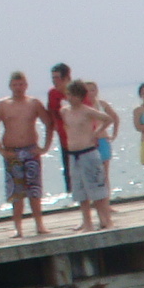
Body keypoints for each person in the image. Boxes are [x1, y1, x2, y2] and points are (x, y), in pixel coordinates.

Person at [0, 71, 53, 236]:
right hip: (12, 153)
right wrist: (1, 151)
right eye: (15, 85)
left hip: (31, 150)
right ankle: (18, 228)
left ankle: (39, 225)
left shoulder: (34, 103)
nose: (18, 88)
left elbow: (49, 123)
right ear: (10, 86)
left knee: (34, 191)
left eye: (21, 84)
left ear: (26, 85)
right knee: (16, 193)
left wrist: (45, 147)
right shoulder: (2, 105)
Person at [59, 81, 115, 231]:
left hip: (88, 153)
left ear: (79, 96)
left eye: (71, 94)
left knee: (97, 190)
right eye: (68, 94)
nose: (68, 97)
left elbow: (108, 119)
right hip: (73, 154)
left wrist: (96, 133)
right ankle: (87, 223)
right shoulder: (64, 111)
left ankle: (106, 220)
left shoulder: (87, 111)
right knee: (80, 192)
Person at [46, 64, 74, 187]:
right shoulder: (52, 94)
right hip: (64, 141)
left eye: (57, 77)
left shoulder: (77, 92)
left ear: (67, 77)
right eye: (53, 78)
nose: (54, 81)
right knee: (69, 174)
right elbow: (51, 113)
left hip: (81, 141)